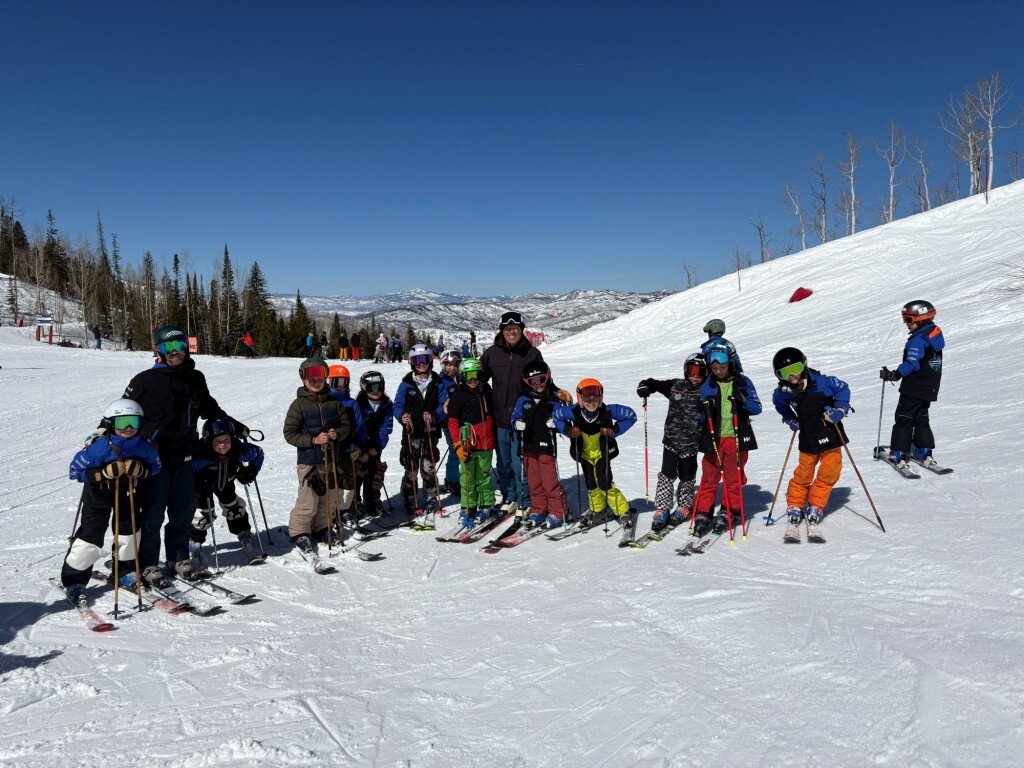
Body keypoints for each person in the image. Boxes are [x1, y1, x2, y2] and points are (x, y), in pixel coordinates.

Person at [123, 325, 241, 580]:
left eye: (179, 346)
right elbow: (124, 414)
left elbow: (209, 406)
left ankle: (178, 558)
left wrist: (231, 424)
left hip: (185, 457)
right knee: (153, 515)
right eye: (168, 347)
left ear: (186, 347)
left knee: (182, 513)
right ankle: (148, 563)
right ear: (159, 350)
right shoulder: (145, 380)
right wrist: (104, 435)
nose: (174, 352)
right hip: (154, 460)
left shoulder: (195, 378)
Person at [61, 399, 161, 602]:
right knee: (90, 537)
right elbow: (75, 471)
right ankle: (75, 581)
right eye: (122, 422)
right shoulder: (99, 448)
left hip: (128, 494)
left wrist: (141, 470)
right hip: (98, 496)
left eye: (133, 422)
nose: (129, 428)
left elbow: (156, 467)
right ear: (110, 424)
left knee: (128, 534)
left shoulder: (144, 446)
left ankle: (123, 571)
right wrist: (102, 473)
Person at [481, 310, 570, 516]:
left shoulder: (532, 354)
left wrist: (557, 392)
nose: (512, 332)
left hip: (524, 417)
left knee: (520, 461)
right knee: (503, 462)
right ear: (502, 331)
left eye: (515, 329)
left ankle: (525, 498)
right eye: (508, 329)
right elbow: (477, 380)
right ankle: (509, 496)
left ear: (522, 330)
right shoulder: (491, 354)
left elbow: (542, 381)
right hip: (500, 418)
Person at [772, 347, 850, 526]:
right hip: (807, 436)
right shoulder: (783, 392)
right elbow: (779, 405)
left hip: (830, 432)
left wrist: (840, 408)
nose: (792, 376)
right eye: (785, 372)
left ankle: (816, 504)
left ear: (804, 365)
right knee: (804, 472)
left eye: (796, 369)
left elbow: (843, 389)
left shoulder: (823, 382)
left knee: (830, 471)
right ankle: (795, 504)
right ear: (778, 375)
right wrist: (790, 418)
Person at [691, 342, 761, 537]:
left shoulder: (743, 383)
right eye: (714, 368)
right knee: (709, 477)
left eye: (722, 367)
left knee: (732, 478)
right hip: (713, 439)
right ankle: (704, 512)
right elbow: (700, 416)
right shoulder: (707, 384)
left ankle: (730, 510)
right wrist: (704, 409)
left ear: (731, 364)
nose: (718, 371)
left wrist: (743, 400)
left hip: (736, 438)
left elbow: (757, 408)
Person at [283, 358, 352, 552]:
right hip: (309, 462)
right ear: (303, 378)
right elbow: (290, 433)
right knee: (308, 502)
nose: (315, 380)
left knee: (328, 500)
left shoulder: (334, 402)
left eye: (320, 375)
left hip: (331, 460)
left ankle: (322, 528)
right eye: (311, 376)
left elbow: (346, 425)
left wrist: (336, 434)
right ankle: (299, 532)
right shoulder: (298, 405)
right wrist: (313, 440)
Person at [635, 352, 708, 531]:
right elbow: (655, 384)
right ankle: (662, 508)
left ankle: (684, 505)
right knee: (666, 475)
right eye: (692, 371)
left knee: (687, 476)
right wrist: (645, 386)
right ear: (685, 370)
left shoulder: (707, 391)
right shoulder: (676, 386)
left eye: (700, 372)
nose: (695, 376)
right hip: (671, 441)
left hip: (691, 444)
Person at [552, 379, 637, 524]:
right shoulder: (572, 411)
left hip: (602, 453)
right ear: (579, 398)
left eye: (596, 399)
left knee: (605, 484)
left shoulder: (608, 411)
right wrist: (568, 430)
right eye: (586, 400)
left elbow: (631, 416)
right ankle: (597, 509)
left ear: (601, 398)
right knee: (591, 484)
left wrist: (614, 430)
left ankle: (623, 511)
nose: (592, 403)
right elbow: (556, 416)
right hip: (584, 455)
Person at [189, 417, 265, 570]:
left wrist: (251, 471)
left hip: (225, 482)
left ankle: (243, 535)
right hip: (203, 485)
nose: (223, 445)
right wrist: (194, 482)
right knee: (203, 513)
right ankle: (194, 542)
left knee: (234, 507)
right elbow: (187, 468)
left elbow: (259, 453)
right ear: (209, 440)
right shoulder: (201, 454)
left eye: (226, 440)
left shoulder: (239, 451)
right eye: (217, 441)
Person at [881, 300, 945, 470]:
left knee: (904, 418)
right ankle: (924, 450)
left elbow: (912, 364)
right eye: (904, 319)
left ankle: (898, 452)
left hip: (914, 387)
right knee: (921, 418)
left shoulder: (918, 340)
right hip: (929, 387)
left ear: (922, 319)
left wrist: (894, 374)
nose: (905, 324)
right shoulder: (933, 335)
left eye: (908, 320)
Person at [511, 360, 567, 528]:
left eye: (541, 380)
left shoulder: (553, 399)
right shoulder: (524, 398)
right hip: (528, 446)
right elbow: (513, 417)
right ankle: (538, 510)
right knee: (534, 481)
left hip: (546, 447)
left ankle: (558, 512)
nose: (538, 385)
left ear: (547, 377)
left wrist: (556, 423)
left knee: (550, 481)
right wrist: (516, 424)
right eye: (532, 382)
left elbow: (563, 420)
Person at [393, 343, 447, 514]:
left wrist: (435, 416)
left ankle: (431, 496)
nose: (421, 364)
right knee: (411, 465)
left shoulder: (438, 383)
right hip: (412, 431)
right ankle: (410, 497)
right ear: (412, 363)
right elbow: (397, 405)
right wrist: (402, 416)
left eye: (424, 359)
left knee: (428, 466)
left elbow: (444, 405)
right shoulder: (406, 384)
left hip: (430, 431)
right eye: (417, 360)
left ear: (430, 361)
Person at [446, 357, 497, 526]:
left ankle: (486, 504)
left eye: (476, 375)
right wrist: (458, 444)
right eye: (469, 376)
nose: (473, 380)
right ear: (462, 377)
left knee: (484, 477)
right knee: (467, 477)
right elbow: (453, 422)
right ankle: (468, 506)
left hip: (485, 444)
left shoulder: (486, 391)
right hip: (467, 444)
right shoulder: (458, 395)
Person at [327, 364, 365, 517]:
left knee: (348, 482)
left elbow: (360, 426)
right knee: (330, 482)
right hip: (329, 450)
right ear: (329, 383)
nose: (341, 387)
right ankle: (329, 513)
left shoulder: (351, 403)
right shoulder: (325, 401)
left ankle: (344, 511)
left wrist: (358, 446)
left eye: (344, 383)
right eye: (337, 383)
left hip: (348, 449)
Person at [354, 371, 393, 516]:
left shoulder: (386, 405)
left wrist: (377, 447)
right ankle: (355, 502)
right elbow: (356, 427)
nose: (376, 391)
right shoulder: (358, 404)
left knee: (374, 471)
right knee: (358, 473)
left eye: (379, 387)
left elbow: (386, 429)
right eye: (371, 387)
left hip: (375, 447)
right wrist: (362, 448)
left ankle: (372, 500)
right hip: (360, 446)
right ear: (364, 388)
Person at [438, 350, 463, 495]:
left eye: (455, 365)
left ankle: (462, 477)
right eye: (449, 365)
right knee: (455, 449)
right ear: (443, 365)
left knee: (465, 448)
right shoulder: (441, 381)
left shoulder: (460, 379)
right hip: (449, 422)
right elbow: (441, 402)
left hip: (463, 420)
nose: (452, 368)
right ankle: (452, 480)